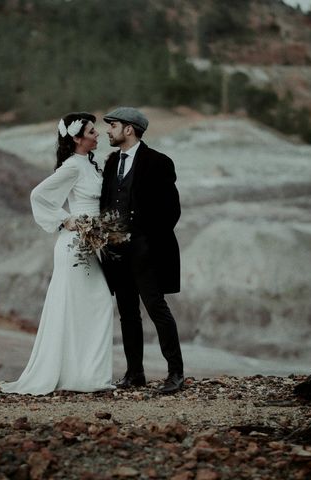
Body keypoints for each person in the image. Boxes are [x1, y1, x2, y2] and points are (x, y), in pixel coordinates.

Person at [0, 112, 114, 395]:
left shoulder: (89, 164)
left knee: (93, 304)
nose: (97, 135)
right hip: (74, 245)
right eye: (91, 132)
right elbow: (38, 195)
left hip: (90, 244)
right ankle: (81, 376)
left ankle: (86, 375)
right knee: (90, 303)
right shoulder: (73, 166)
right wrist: (65, 219)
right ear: (76, 139)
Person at [100, 107, 185, 394]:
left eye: (113, 125)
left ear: (129, 129)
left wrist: (148, 243)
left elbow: (171, 210)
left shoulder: (158, 162)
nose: (108, 131)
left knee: (157, 309)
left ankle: (176, 373)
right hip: (117, 252)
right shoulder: (112, 163)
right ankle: (135, 373)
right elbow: (108, 204)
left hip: (147, 251)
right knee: (127, 313)